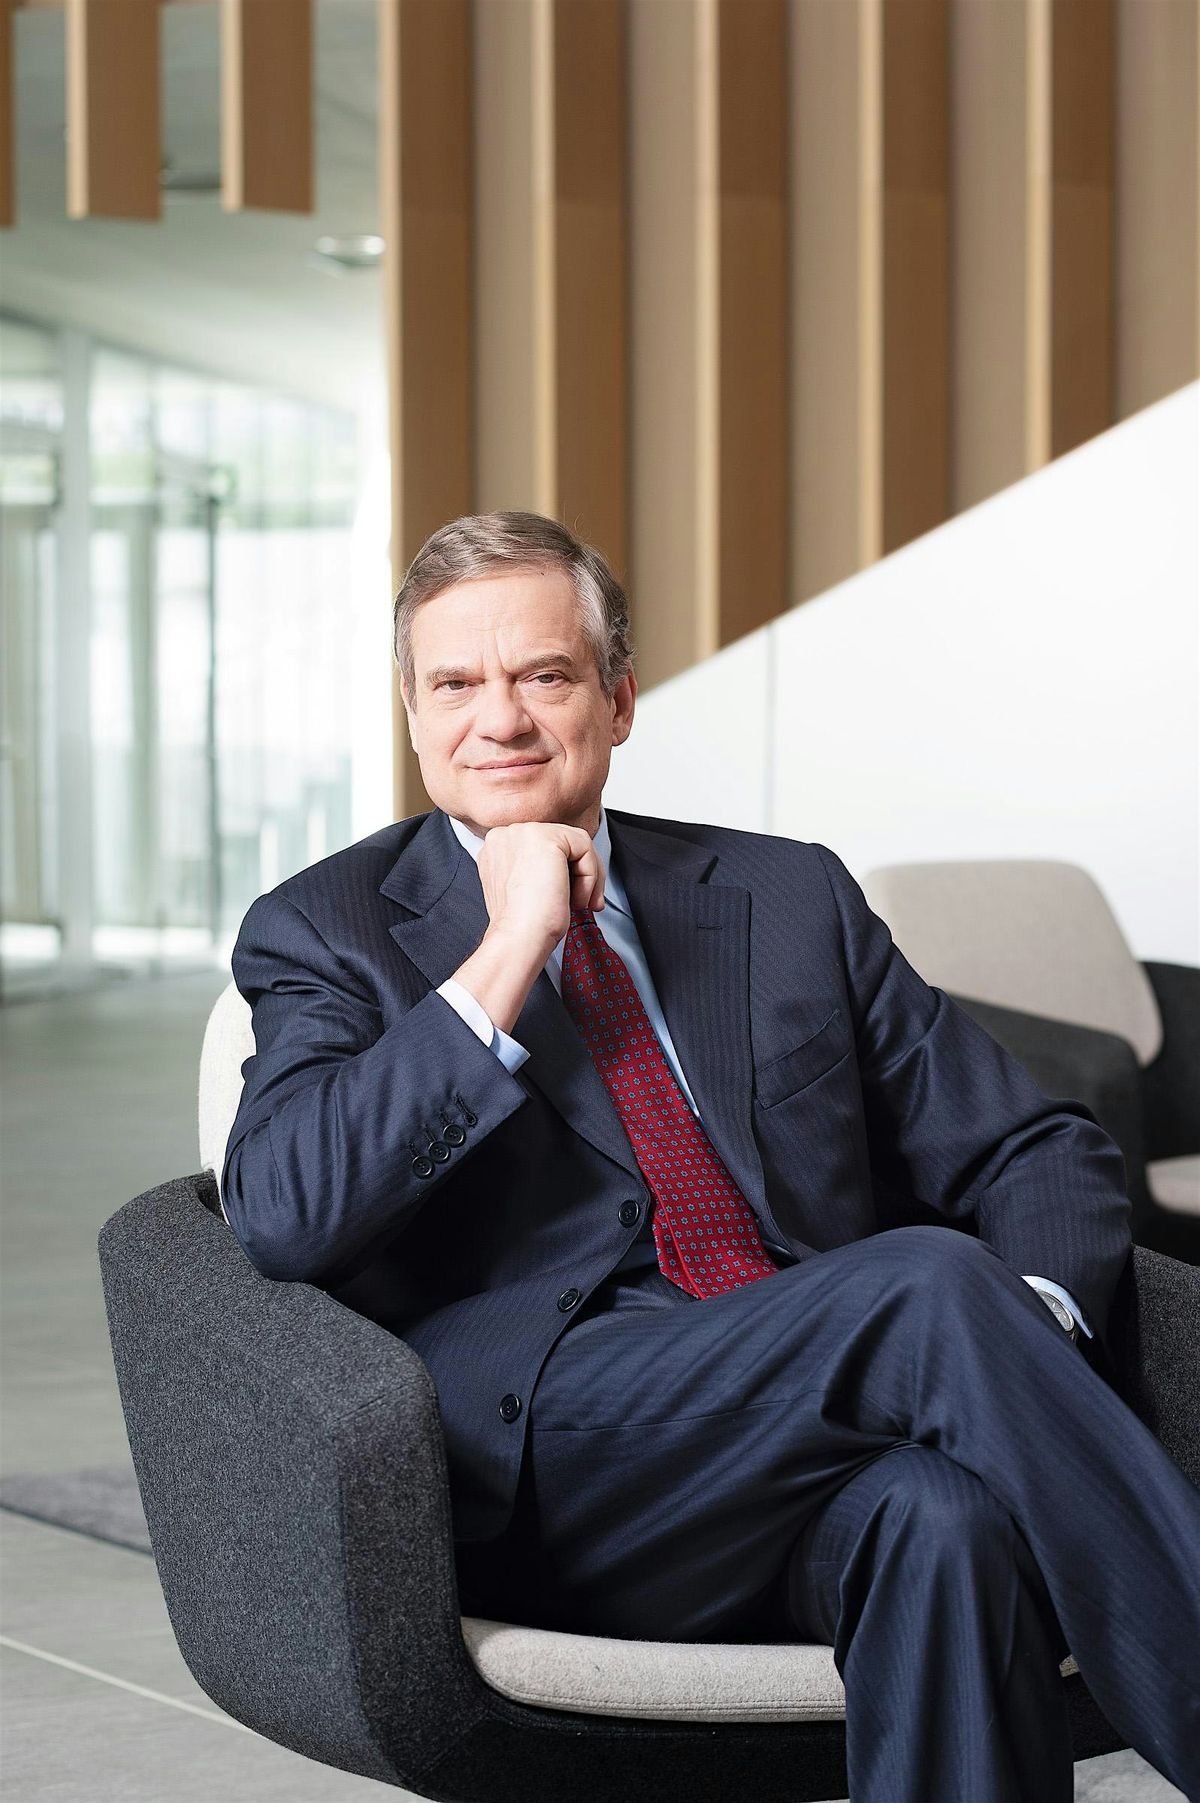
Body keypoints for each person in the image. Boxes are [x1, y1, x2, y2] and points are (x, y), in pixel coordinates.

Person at [222, 510, 1200, 1803]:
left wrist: (1022, 1342)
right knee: (924, 1286)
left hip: (810, 1424)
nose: (499, 719)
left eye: (544, 675)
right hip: (558, 1467)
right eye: (455, 685)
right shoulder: (327, 928)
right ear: (412, 715)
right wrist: (508, 952)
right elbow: (283, 1212)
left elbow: (1032, 1146)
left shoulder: (786, 898)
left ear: (619, 701)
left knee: (943, 1521)